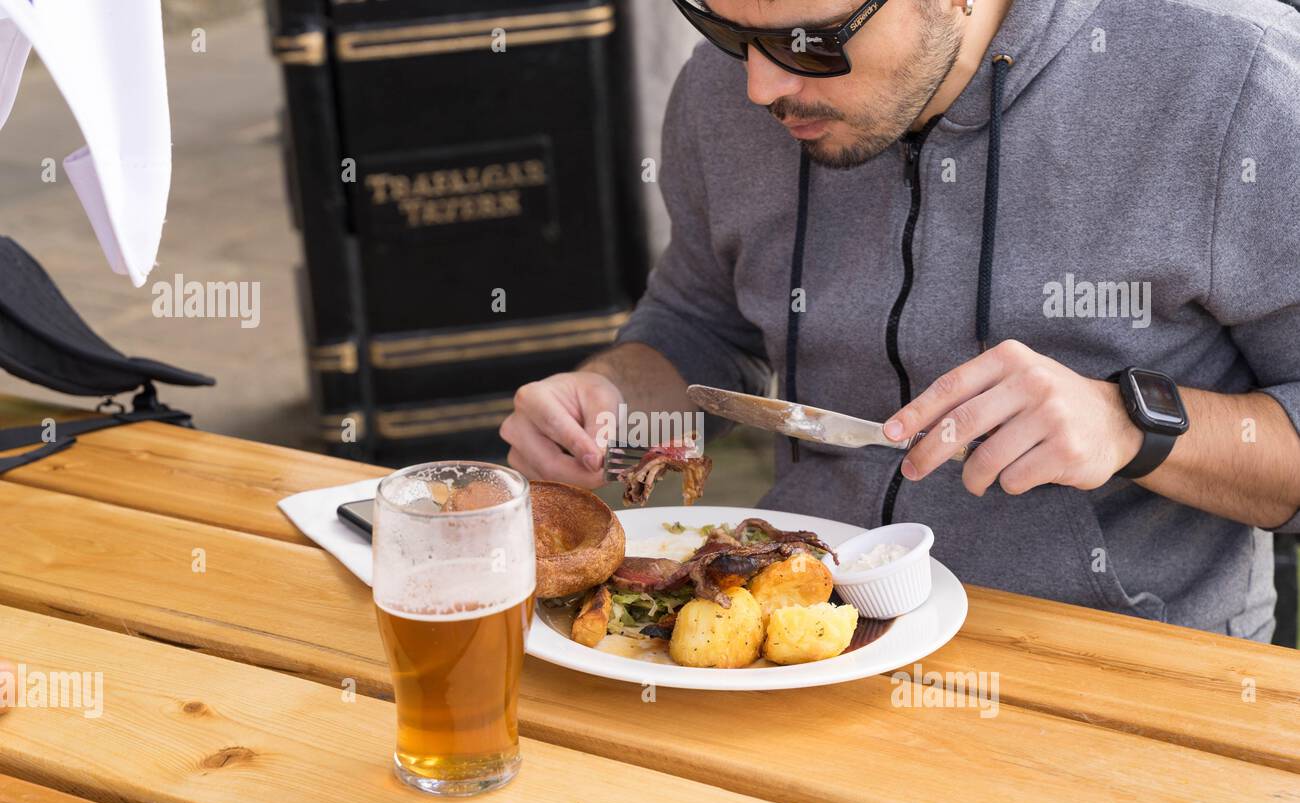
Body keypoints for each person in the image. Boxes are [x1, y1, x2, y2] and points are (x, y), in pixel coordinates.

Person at [500, 0, 1300, 641]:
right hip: (800, 650)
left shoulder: (1235, 79)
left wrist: (1133, 424)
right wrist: (609, 403)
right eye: (719, 27)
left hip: (1116, 674)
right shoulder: (729, 87)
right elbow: (699, 323)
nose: (759, 88)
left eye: (810, 44)